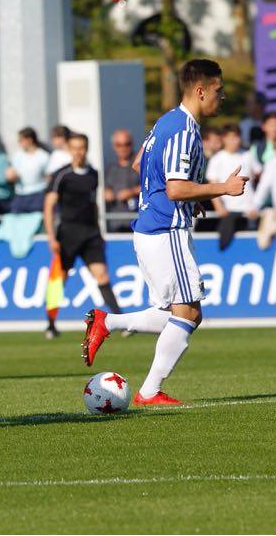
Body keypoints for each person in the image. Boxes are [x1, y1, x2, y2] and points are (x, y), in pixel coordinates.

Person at [82, 59, 247, 406]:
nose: (223, 96)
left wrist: (192, 197)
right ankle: (149, 390)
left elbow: (140, 164)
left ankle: (107, 322)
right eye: (219, 90)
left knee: (181, 312)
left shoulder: (164, 122)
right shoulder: (184, 129)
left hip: (152, 228)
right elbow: (174, 188)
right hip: (165, 229)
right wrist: (222, 189)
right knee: (189, 313)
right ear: (200, 91)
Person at [43, 133, 121, 339]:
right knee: (59, 280)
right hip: (68, 233)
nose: (78, 152)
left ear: (86, 149)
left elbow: (93, 203)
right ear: (69, 149)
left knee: (102, 275)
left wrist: (99, 231)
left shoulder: (93, 174)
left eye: (82, 148)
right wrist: (51, 237)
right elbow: (49, 206)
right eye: (74, 148)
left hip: (90, 233)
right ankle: (50, 324)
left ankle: (120, 320)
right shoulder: (62, 175)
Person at [206, 125, 259, 234]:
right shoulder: (216, 159)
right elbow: (212, 186)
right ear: (224, 138)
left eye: (237, 137)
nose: (235, 141)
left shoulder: (248, 155)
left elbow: (260, 180)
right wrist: (219, 207)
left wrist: (257, 205)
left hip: (250, 211)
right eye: (231, 137)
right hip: (228, 212)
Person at [104, 129, 141, 233]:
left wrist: (132, 192)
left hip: (137, 221)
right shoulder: (110, 167)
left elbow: (153, 185)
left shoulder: (140, 164)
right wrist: (106, 192)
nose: (123, 148)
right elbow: (104, 186)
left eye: (127, 144)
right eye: (119, 145)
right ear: (114, 146)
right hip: (115, 222)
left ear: (132, 144)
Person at [7, 127, 50, 213]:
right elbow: (12, 174)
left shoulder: (43, 156)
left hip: (38, 196)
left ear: (30, 140)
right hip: (20, 195)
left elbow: (48, 177)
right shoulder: (17, 155)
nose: (19, 143)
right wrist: (11, 176)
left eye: (21, 140)